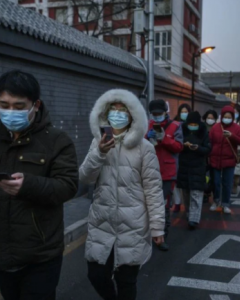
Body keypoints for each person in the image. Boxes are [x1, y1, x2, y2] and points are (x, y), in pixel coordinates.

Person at [79, 89, 165, 300]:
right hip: (103, 223)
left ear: (132, 116)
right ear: (105, 115)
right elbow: (85, 177)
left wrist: (157, 227)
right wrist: (99, 152)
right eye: (113, 110)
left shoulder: (144, 148)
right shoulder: (97, 142)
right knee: (96, 275)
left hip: (133, 225)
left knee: (126, 282)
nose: (117, 114)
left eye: (122, 111)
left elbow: (153, 189)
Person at [0, 70, 78, 300]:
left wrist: (28, 186)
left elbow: (68, 185)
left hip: (40, 256)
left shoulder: (57, 140)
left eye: (18, 106)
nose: (10, 112)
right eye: (4, 105)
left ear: (35, 105)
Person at [146, 99, 183, 251]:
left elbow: (179, 147)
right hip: (149, 169)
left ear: (165, 113)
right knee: (148, 205)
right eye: (154, 114)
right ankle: (148, 236)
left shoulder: (175, 126)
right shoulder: (147, 125)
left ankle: (163, 237)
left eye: (159, 114)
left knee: (164, 206)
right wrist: (147, 137)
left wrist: (164, 139)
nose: (156, 117)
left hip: (168, 172)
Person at [209, 105, 240, 214]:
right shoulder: (215, 127)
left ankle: (225, 203)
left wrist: (232, 136)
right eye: (225, 116)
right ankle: (216, 201)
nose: (227, 118)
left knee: (227, 183)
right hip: (215, 159)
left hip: (229, 160)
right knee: (215, 182)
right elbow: (210, 141)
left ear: (233, 117)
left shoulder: (237, 128)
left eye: (229, 116)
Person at [177, 111, 211, 229]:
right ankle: (188, 213)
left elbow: (207, 149)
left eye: (194, 124)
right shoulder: (181, 130)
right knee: (186, 193)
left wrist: (198, 148)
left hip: (198, 167)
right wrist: (183, 145)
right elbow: (176, 145)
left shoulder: (204, 132)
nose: (192, 126)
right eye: (190, 123)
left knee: (196, 193)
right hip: (184, 167)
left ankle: (194, 219)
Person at [173, 103, 192, 212]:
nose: (184, 114)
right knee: (175, 180)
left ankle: (186, 202)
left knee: (184, 180)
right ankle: (177, 202)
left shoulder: (192, 124)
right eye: (182, 112)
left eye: (186, 112)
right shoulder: (175, 124)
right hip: (177, 154)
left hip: (188, 155)